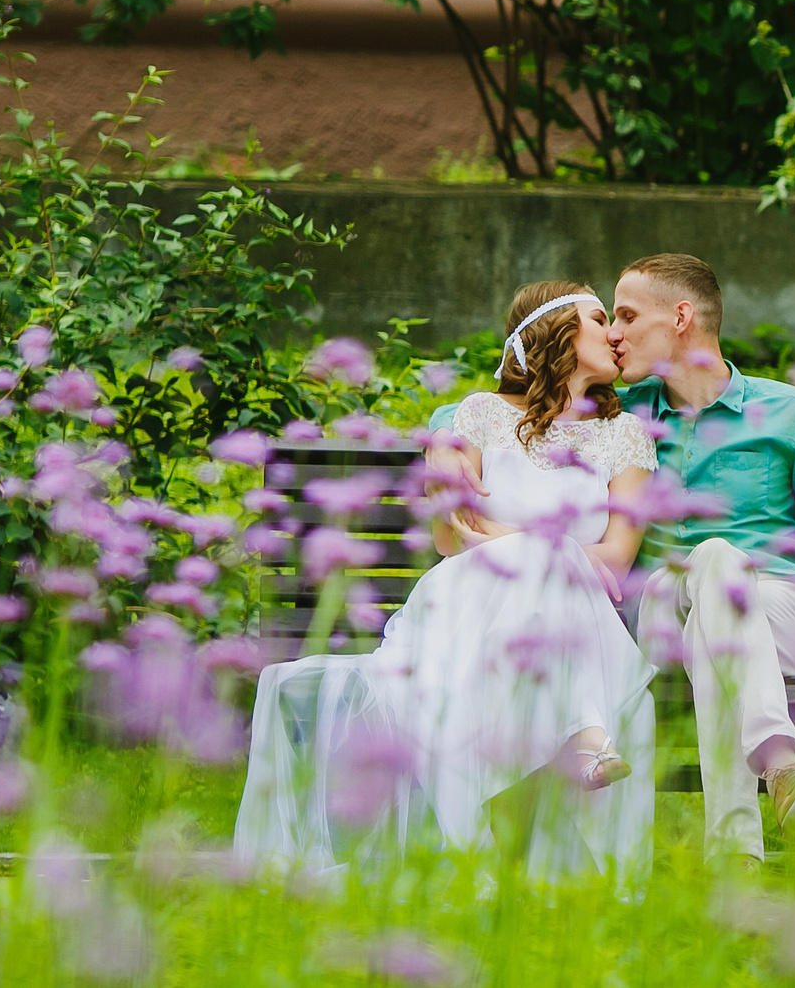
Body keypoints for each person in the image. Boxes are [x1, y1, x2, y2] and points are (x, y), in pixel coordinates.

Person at [234, 282, 658, 882]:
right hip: (467, 609)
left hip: (578, 620)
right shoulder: (478, 414)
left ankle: (527, 813)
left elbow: (614, 560)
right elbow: (449, 536)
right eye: (598, 317)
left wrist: (525, 545)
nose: (614, 333)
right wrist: (542, 547)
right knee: (549, 555)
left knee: (551, 559)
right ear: (556, 330)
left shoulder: (625, 434)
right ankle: (582, 739)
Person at [613, 253, 795, 863]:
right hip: (662, 615)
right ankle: (782, 768)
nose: (613, 332)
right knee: (714, 560)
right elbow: (498, 411)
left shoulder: (791, 413)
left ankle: (735, 856)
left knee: (718, 599)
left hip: (780, 611)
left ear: (680, 317)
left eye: (627, 316)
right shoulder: (622, 416)